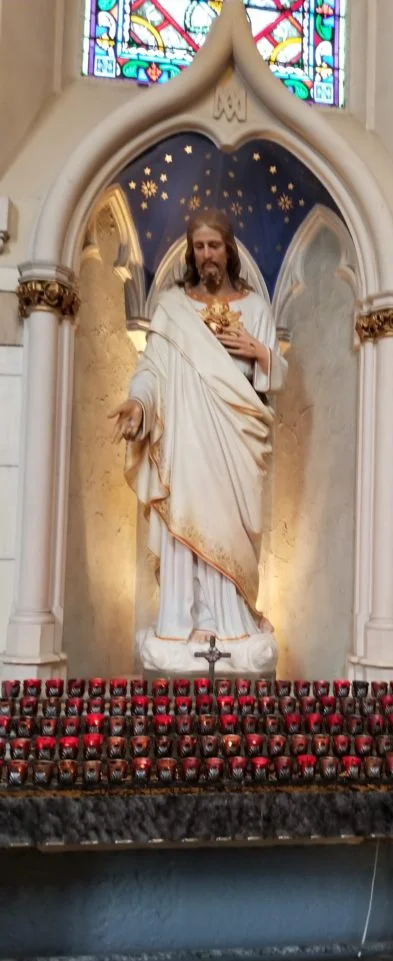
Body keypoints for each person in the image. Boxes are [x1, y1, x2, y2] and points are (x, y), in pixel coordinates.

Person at [109, 209, 287, 671]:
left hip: (235, 444)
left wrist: (260, 352)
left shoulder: (256, 310)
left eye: (215, 246)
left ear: (229, 250)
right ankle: (182, 620)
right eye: (200, 247)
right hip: (186, 443)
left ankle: (232, 621)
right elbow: (152, 370)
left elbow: (272, 382)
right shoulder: (172, 307)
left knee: (231, 528)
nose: (207, 255)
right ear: (192, 252)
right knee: (185, 523)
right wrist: (138, 406)